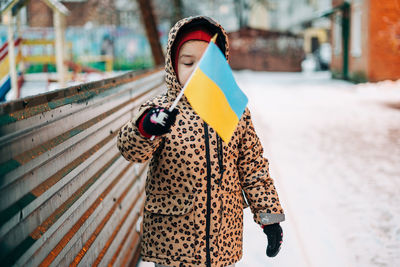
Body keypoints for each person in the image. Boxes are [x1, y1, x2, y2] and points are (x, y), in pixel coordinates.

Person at [117, 16, 285, 267]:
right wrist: (147, 128)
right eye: (188, 62)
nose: (197, 71)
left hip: (222, 238)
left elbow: (253, 166)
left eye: (206, 64)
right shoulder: (160, 111)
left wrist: (268, 216)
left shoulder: (232, 111)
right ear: (173, 66)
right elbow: (131, 150)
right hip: (172, 240)